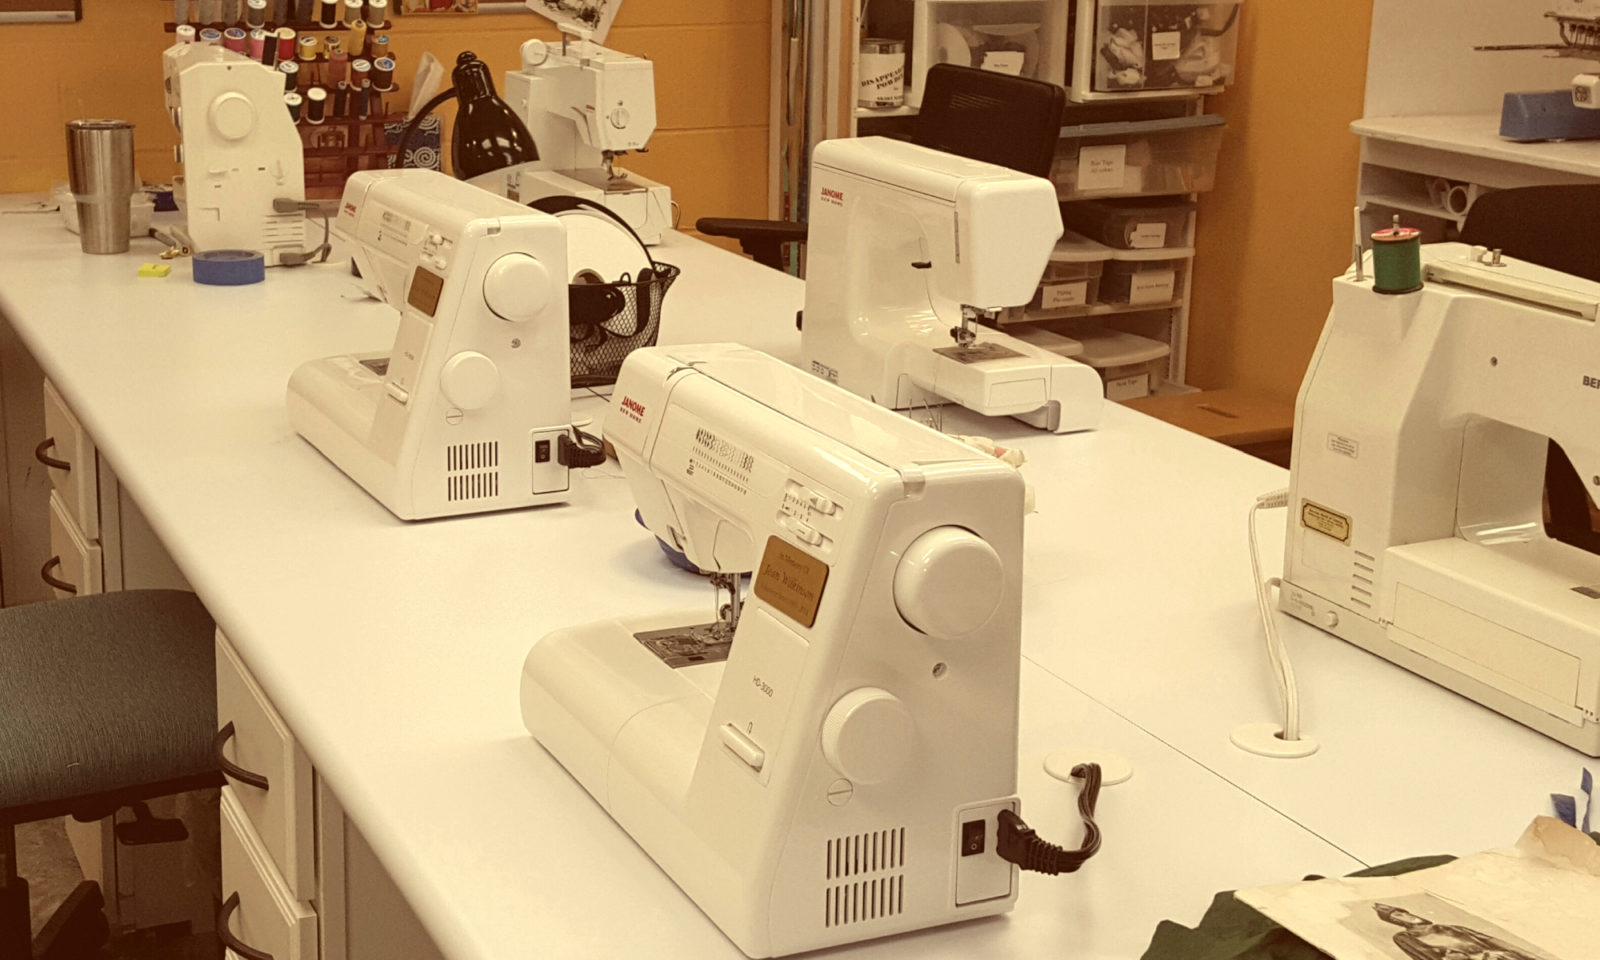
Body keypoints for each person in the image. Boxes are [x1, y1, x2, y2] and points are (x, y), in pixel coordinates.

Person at [1371, 903, 1545, 960]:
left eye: (1403, 912)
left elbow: (1495, 941)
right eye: (1397, 916)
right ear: (1394, 921)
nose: (1405, 917)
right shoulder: (1404, 937)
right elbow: (1430, 957)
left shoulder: (1451, 928)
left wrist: (1531, 956)